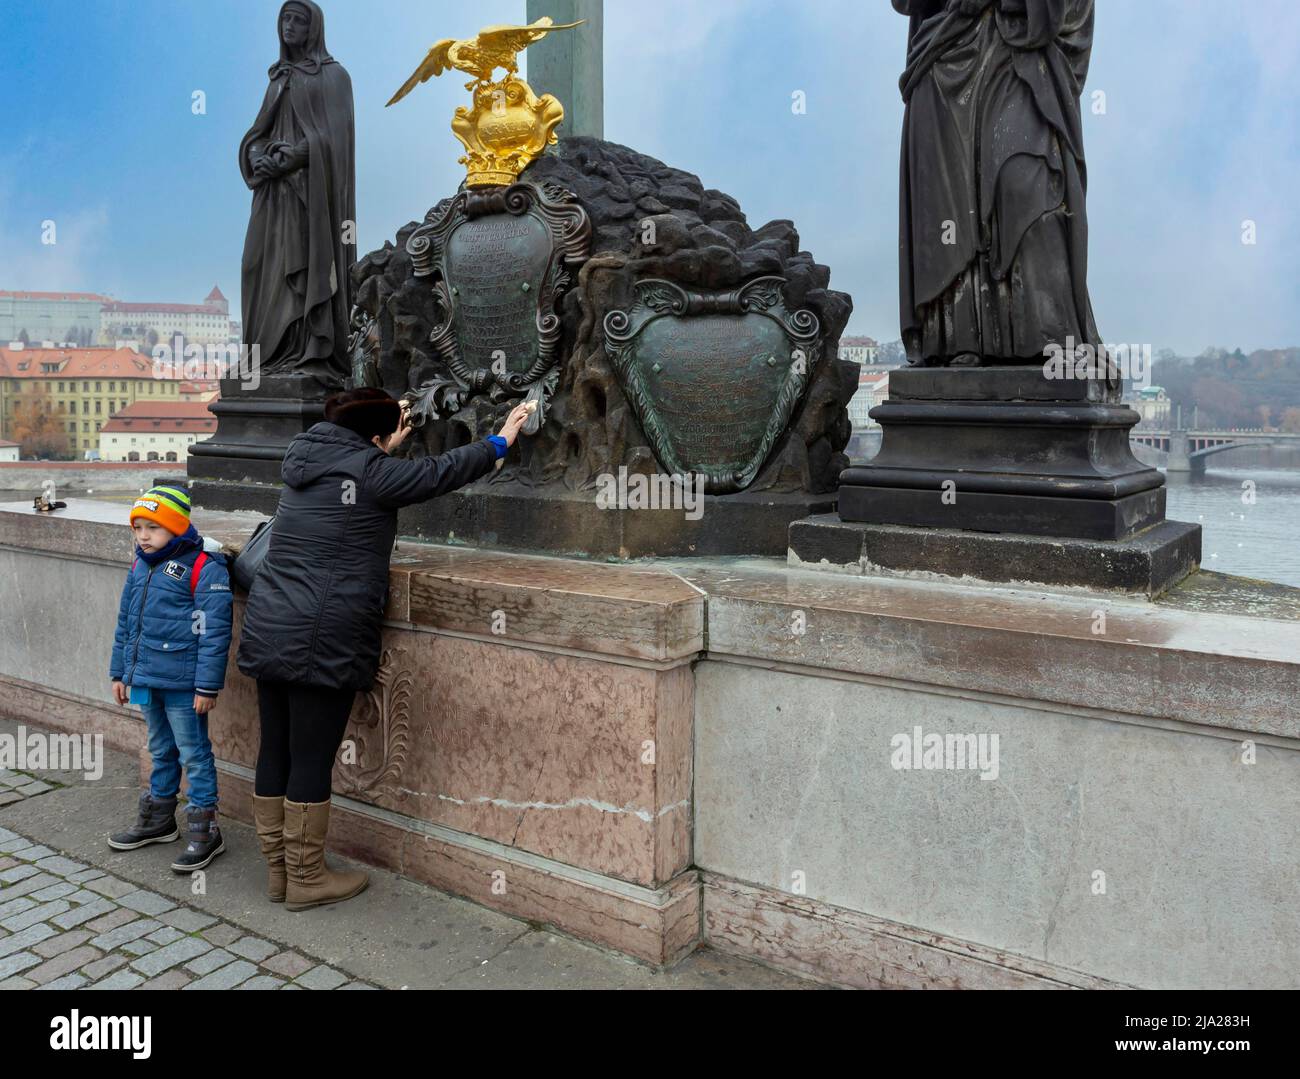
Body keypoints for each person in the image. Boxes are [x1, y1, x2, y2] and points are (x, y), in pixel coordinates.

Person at [236, 390, 530, 911]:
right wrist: (501, 439)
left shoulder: (303, 458)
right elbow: (441, 471)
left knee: (275, 748)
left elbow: (368, 452)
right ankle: (307, 878)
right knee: (311, 758)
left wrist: (379, 428)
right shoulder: (372, 472)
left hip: (271, 623)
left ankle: (280, 874)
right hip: (321, 635)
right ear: (377, 438)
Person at [893, 0, 1101, 367]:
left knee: (1024, 183)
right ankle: (959, 339)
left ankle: (1047, 333)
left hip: (1022, 55)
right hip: (945, 54)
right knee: (950, 212)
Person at [108, 486, 233, 872]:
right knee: (160, 748)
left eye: (153, 528)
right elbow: (127, 622)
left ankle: (205, 829)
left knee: (194, 753)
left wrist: (206, 686)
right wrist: (119, 672)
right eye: (138, 528)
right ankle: (160, 818)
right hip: (146, 678)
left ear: (177, 528)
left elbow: (215, 632)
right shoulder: (140, 564)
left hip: (183, 684)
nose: (143, 536)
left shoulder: (203, 567)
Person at [240, 0, 355, 382]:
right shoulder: (278, 77)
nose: (288, 26)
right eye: (284, 19)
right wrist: (258, 155)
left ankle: (308, 350)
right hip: (273, 197)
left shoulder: (334, 77)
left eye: (297, 20)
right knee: (257, 265)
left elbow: (336, 140)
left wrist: (296, 156)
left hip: (312, 198)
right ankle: (263, 359)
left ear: (313, 28)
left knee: (305, 270)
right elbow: (259, 133)